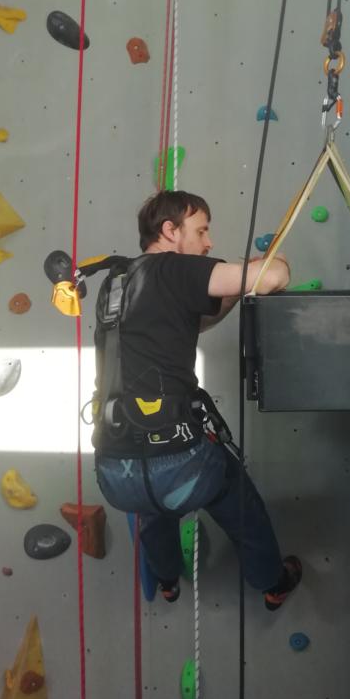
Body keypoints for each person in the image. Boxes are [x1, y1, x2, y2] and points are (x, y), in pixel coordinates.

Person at [92, 190, 301, 610]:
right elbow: (272, 280)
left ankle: (167, 579)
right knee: (236, 498)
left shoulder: (117, 282)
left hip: (114, 471)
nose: (208, 242)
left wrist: (235, 290)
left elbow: (193, 323)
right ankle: (272, 581)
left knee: (153, 507)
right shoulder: (174, 267)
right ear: (170, 231)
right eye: (201, 230)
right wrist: (275, 262)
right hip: (180, 469)